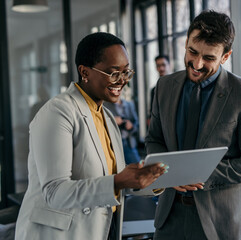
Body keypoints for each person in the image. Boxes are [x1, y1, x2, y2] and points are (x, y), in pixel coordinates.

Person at [15, 32, 167, 240]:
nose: (122, 81)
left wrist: (154, 178)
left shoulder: (107, 117)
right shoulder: (57, 112)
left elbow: (114, 183)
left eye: (126, 72)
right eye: (114, 73)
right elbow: (55, 192)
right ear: (85, 72)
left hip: (103, 229)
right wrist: (116, 182)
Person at [146, 10, 241, 240]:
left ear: (225, 56)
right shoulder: (164, 86)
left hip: (219, 224)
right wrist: (169, 171)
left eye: (209, 58)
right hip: (168, 218)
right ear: (186, 42)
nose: (197, 63)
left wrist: (199, 174)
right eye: (192, 51)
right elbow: (154, 139)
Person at [104, 96, 141, 164]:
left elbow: (137, 126)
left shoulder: (130, 105)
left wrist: (131, 126)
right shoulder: (105, 105)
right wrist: (112, 121)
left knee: (138, 167)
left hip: (129, 143)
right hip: (113, 144)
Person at [148, 55, 172, 127]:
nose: (161, 68)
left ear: (169, 65)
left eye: (163, 65)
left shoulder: (178, 86)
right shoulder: (154, 90)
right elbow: (152, 112)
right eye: (158, 66)